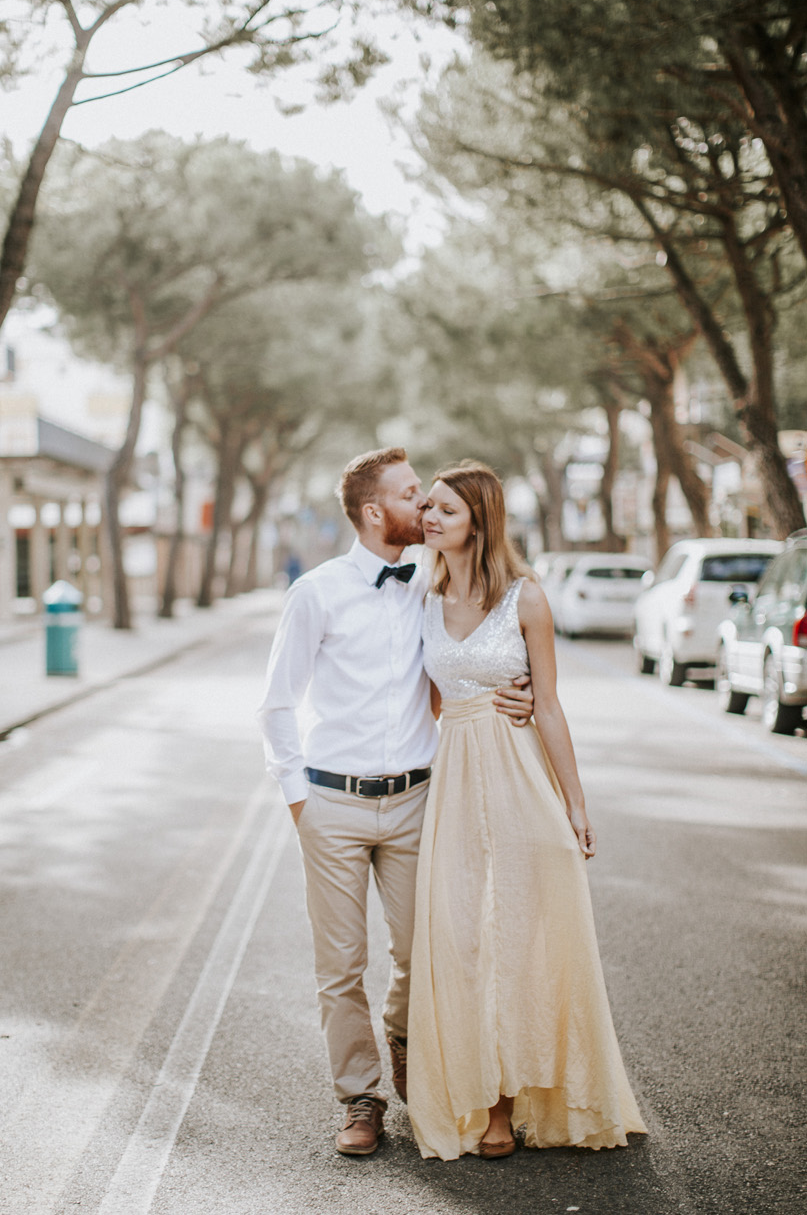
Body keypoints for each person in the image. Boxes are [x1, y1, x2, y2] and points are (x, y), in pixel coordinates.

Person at [258, 447, 534, 1157]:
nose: (426, 504)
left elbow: (475, 656)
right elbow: (276, 704)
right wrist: (299, 803)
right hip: (332, 804)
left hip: (419, 801)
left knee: (428, 952)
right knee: (340, 965)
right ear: (376, 510)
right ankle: (359, 1097)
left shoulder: (432, 582)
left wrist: (516, 693)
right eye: (413, 494)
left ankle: (408, 1044)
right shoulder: (315, 592)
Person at [408, 460, 647, 1160]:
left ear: (477, 521)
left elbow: (547, 705)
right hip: (453, 782)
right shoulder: (422, 598)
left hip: (519, 779)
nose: (428, 517)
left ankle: (503, 1112)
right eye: (427, 506)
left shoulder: (525, 599)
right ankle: (472, 1088)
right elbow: (429, 703)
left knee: (516, 938)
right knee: (461, 939)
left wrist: (575, 805)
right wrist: (473, 702)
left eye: (444, 510)